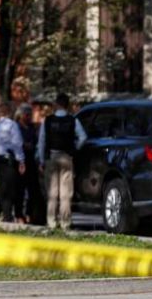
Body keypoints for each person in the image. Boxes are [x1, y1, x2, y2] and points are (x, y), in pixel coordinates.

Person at [36, 93, 87, 230]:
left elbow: (41, 142)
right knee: (66, 193)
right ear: (67, 105)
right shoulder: (73, 120)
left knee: (52, 192)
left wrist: (41, 160)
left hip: (52, 156)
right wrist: (74, 149)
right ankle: (65, 222)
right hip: (66, 157)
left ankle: (52, 222)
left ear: (56, 104)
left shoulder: (47, 121)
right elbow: (83, 137)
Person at [14, 103, 43, 224]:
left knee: (33, 190)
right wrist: (24, 144)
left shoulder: (32, 127)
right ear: (20, 115)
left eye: (30, 114)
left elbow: (37, 141)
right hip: (20, 161)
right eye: (27, 114)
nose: (29, 117)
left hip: (31, 161)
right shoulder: (15, 127)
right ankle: (19, 215)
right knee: (19, 190)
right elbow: (14, 142)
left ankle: (31, 214)